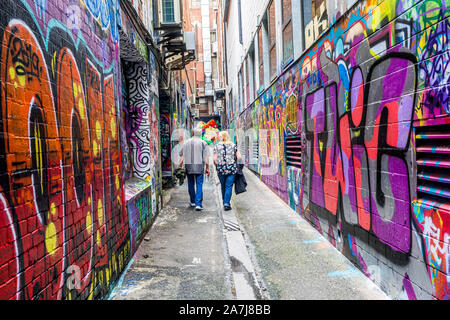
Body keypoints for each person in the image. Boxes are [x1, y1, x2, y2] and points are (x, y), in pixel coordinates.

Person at [179, 128, 210, 211]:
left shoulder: (186, 142)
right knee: (199, 184)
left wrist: (180, 165)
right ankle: (198, 204)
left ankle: (192, 201)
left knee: (190, 183)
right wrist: (207, 168)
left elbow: (182, 155)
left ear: (192, 133)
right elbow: (206, 157)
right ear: (200, 134)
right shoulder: (203, 143)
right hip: (199, 166)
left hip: (189, 165)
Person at [213, 131, 242, 211]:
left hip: (221, 169)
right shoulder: (233, 146)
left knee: (223, 186)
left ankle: (224, 202)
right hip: (232, 169)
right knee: (228, 186)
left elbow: (214, 159)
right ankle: (226, 203)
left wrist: (217, 165)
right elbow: (239, 157)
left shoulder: (217, 146)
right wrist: (236, 163)